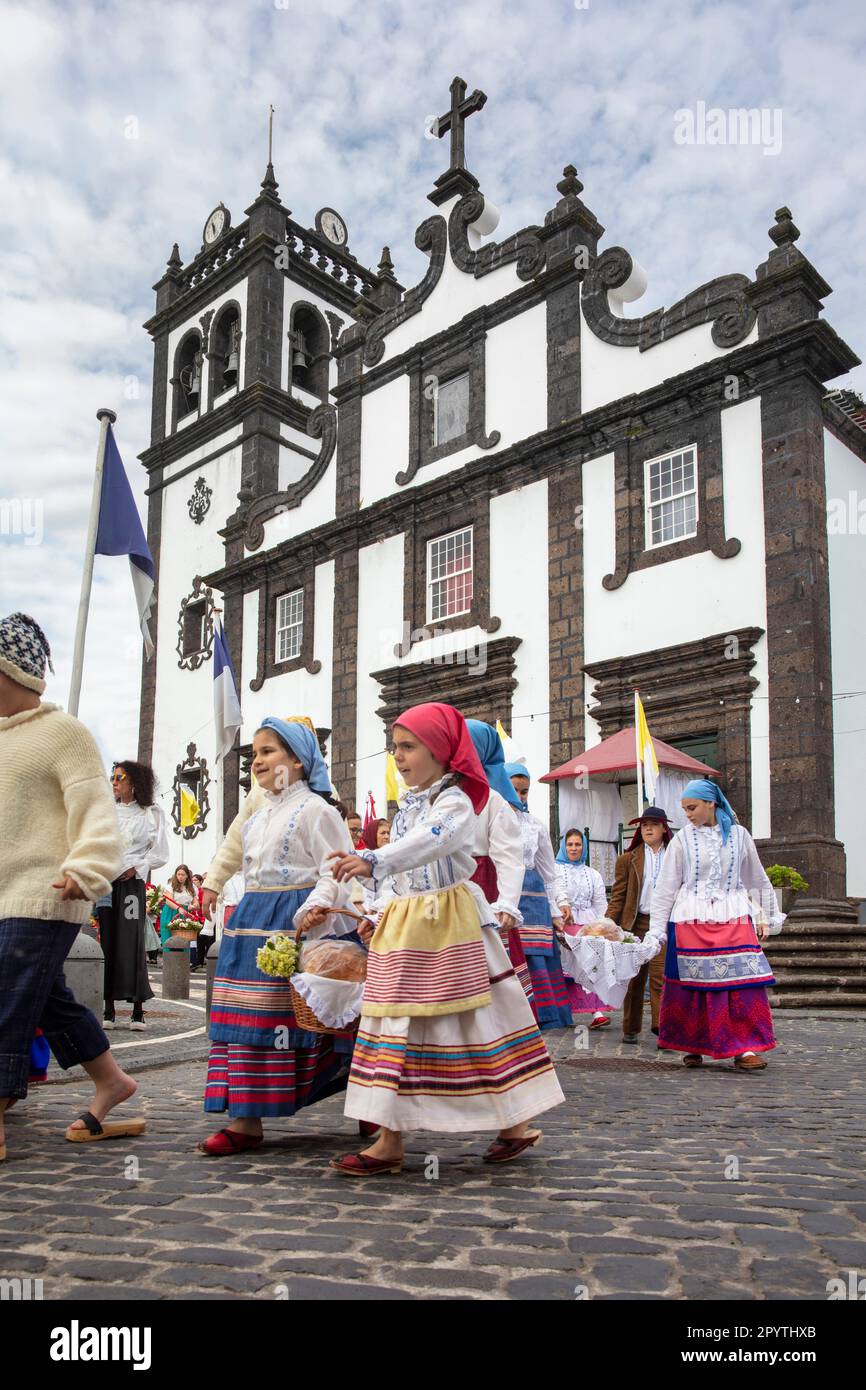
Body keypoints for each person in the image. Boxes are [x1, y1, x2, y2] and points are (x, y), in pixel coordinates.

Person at [328, 703, 565, 1176]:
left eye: (409, 746)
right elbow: (403, 871)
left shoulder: (459, 802)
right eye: (394, 747)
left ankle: (514, 1122)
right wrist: (375, 908)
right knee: (395, 1023)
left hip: (451, 923)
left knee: (480, 1023)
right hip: (406, 925)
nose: (397, 756)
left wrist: (373, 859)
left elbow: (435, 840)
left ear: (442, 751)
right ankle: (389, 1136)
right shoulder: (409, 807)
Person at [0, 612, 146, 1159]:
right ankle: (112, 1081)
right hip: (3, 895)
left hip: (47, 893)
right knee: (44, 999)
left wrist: (85, 869)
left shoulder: (63, 733)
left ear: (11, 672)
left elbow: (95, 811)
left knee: (8, 995)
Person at [197, 716, 359, 1155]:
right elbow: (241, 858)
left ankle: (367, 1103)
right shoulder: (257, 816)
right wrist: (214, 884)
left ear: (299, 762)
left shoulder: (317, 811)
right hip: (252, 922)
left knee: (316, 1017)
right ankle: (245, 1120)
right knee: (246, 1019)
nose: (257, 760)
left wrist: (313, 907)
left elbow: (336, 869)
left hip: (298, 922)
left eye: (268, 751)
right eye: (255, 754)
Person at [645, 779, 784, 1071]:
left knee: (742, 983)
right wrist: (656, 930)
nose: (689, 814)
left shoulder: (739, 836)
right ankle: (692, 1044)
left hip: (733, 913)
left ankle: (744, 1048)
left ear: (711, 803)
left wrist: (770, 913)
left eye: (692, 807)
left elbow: (756, 878)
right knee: (693, 987)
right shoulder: (682, 839)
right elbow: (666, 888)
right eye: (684, 809)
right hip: (690, 918)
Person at [466, 721, 535, 1014]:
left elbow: (509, 856)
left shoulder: (494, 801)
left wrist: (506, 902)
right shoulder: (442, 796)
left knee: (490, 964)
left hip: (485, 887)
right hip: (451, 890)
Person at [97, 761, 168, 1031]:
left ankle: (138, 1009)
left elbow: (159, 853)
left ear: (134, 782)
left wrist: (136, 868)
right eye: (112, 778)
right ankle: (109, 1007)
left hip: (132, 884)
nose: (114, 782)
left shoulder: (151, 813)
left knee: (132, 941)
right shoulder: (107, 812)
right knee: (108, 941)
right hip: (107, 882)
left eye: (119, 778)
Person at [504, 763, 573, 1030]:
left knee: (534, 953)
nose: (520, 797)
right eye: (515, 790)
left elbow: (549, 873)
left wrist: (559, 905)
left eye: (524, 792)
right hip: (504, 894)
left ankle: (542, 1014)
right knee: (507, 953)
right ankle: (512, 1017)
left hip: (533, 898)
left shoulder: (536, 826)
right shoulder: (487, 820)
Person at [606, 807, 672, 1043]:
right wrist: (608, 923)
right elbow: (618, 896)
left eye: (653, 824)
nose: (648, 829)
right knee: (633, 978)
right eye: (644, 825)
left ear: (664, 828)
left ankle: (660, 1027)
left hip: (662, 924)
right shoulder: (628, 859)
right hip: (634, 924)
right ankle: (631, 1028)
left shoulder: (675, 855)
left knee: (659, 976)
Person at [555, 828, 611, 1029]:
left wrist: (602, 927)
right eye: (570, 844)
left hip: (587, 926)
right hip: (564, 925)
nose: (574, 848)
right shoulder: (554, 871)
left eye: (578, 844)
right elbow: (552, 894)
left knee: (591, 968)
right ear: (564, 846)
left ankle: (597, 1011)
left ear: (584, 847)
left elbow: (600, 903)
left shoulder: (592, 874)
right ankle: (563, 1012)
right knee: (566, 970)